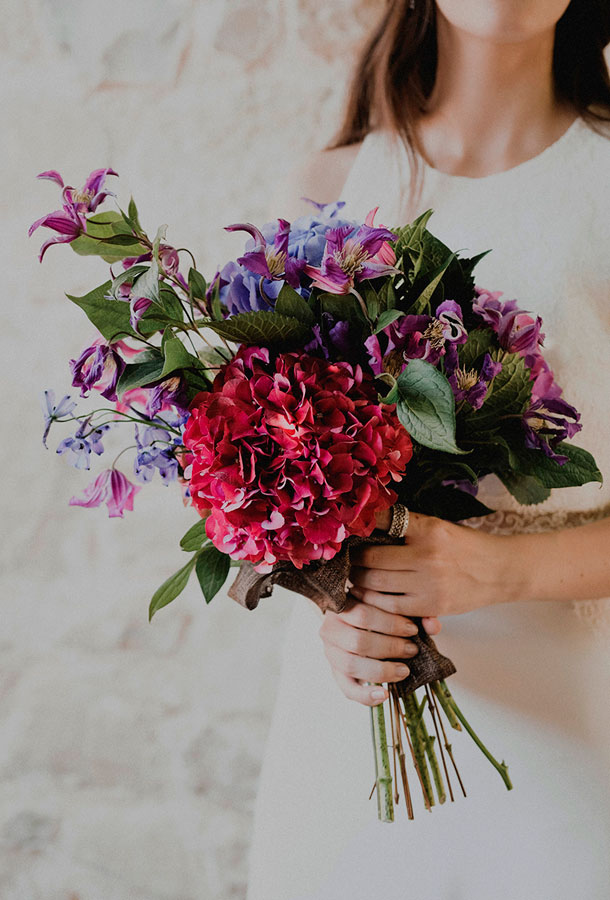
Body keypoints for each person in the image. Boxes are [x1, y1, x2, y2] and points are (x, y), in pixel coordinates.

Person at [246, 2, 610, 898]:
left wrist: (500, 572)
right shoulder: (325, 190)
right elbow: (269, 474)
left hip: (568, 719)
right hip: (350, 723)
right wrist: (333, 604)